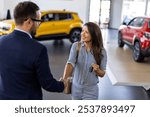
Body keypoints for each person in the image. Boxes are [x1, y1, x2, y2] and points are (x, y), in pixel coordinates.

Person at [0, 1, 65, 100]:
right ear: (29, 22)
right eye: (38, 21)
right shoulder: (38, 50)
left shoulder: (1, 41)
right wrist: (63, 85)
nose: (39, 24)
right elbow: (47, 84)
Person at [63, 22, 107, 100]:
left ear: (94, 35)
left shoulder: (102, 52)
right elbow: (70, 63)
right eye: (82, 31)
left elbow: (102, 74)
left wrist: (97, 70)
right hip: (76, 88)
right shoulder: (76, 46)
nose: (82, 34)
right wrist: (64, 79)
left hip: (91, 91)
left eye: (86, 32)